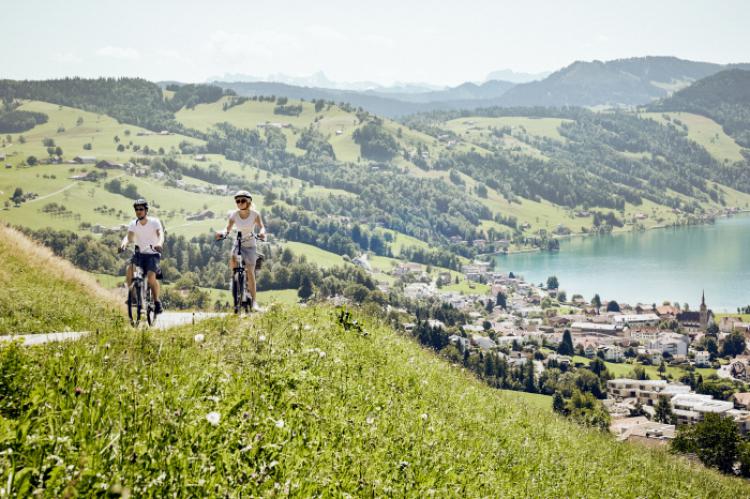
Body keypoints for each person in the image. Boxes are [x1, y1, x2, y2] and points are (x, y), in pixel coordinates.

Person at [216, 190, 266, 310]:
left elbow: (262, 227)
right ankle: (235, 275)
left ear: (248, 202)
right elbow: (227, 229)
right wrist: (222, 233)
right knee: (233, 256)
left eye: (243, 200)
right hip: (238, 243)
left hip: (250, 245)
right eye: (237, 201)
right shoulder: (234, 215)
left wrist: (262, 234)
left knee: (250, 272)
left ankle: (254, 302)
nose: (240, 203)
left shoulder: (255, 214)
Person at [120, 198, 164, 314]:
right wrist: (123, 244)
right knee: (130, 271)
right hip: (139, 253)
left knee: (150, 277)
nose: (138, 211)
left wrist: (159, 244)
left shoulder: (154, 222)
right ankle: (133, 297)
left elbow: (160, 234)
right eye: (136, 209)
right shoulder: (133, 224)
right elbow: (128, 237)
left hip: (153, 254)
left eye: (141, 209)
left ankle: (156, 302)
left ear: (146, 210)